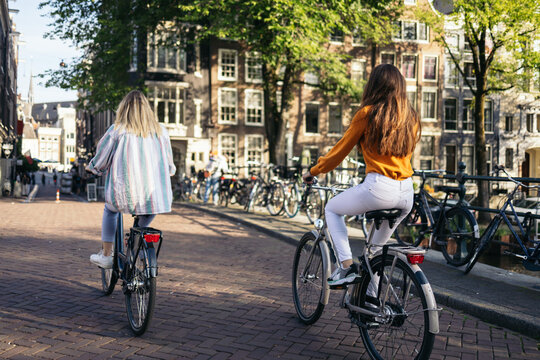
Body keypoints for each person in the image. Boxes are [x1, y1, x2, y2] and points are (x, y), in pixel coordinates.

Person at [302, 64, 421, 286]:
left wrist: (313, 171)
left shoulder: (367, 114)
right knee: (373, 254)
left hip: (379, 188)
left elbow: (339, 152)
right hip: (406, 192)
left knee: (332, 209)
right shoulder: (410, 117)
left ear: (374, 86)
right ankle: (372, 306)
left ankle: (346, 267)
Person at [86, 90, 176, 269]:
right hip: (154, 197)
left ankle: (106, 255)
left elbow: (102, 157)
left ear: (124, 109)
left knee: (110, 210)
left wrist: (93, 168)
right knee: (150, 209)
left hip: (125, 195)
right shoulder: (162, 132)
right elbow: (169, 165)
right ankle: (138, 241)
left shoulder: (118, 130)